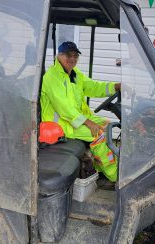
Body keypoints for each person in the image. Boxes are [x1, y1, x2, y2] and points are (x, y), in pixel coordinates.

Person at [41, 41, 120, 182]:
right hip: (61, 126)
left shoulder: (75, 75)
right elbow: (64, 109)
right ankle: (114, 177)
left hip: (76, 120)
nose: (72, 59)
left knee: (108, 125)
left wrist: (116, 87)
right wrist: (88, 123)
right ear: (58, 55)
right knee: (100, 135)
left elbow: (93, 87)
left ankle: (100, 170)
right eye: (68, 55)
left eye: (75, 55)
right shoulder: (52, 77)